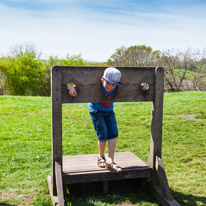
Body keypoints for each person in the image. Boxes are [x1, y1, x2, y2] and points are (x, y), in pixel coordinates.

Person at [68, 67, 122, 173]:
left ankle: (110, 161)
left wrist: (142, 87)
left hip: (109, 110)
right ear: (102, 79)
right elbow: (81, 84)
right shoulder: (95, 83)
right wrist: (71, 86)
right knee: (103, 134)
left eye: (113, 85)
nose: (110, 87)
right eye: (107, 83)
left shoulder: (116, 86)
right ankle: (101, 157)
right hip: (96, 111)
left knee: (113, 133)